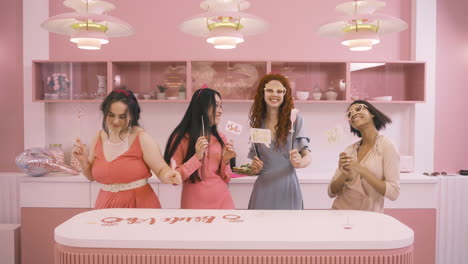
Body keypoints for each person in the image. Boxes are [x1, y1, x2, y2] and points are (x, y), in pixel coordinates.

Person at [72, 89, 181, 209]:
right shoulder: (98, 138)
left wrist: (169, 175)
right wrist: (83, 160)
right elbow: (91, 176)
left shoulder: (142, 138)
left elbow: (161, 170)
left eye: (122, 116)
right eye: (111, 115)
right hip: (105, 205)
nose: (116, 121)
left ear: (132, 116)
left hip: (139, 205)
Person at [164, 86, 236, 209]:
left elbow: (226, 179)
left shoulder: (221, 138)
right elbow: (174, 179)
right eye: (215, 105)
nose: (220, 111)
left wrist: (226, 161)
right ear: (202, 108)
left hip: (223, 201)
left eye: (221, 106)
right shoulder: (180, 138)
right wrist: (196, 157)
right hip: (193, 203)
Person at [248, 74, 312, 210]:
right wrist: (255, 168)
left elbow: (308, 156)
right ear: (262, 93)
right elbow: (255, 165)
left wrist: (300, 162)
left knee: (289, 229)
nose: (274, 94)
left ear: (285, 94)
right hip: (263, 189)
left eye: (279, 91)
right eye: (270, 90)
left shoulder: (295, 120)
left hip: (288, 187)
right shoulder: (257, 124)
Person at [328, 100, 400, 213]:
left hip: (369, 218)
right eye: (349, 114)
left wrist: (361, 170)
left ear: (372, 113)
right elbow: (331, 192)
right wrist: (343, 174)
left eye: (358, 109)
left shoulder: (387, 146)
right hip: (339, 213)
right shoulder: (349, 150)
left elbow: (393, 193)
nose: (353, 114)